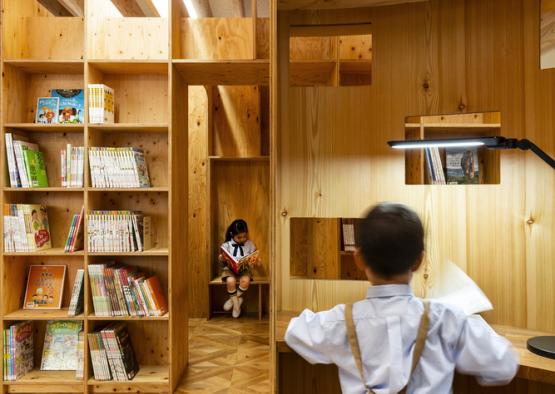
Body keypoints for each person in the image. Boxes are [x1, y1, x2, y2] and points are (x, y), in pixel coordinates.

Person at [285, 203, 518, 393]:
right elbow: (504, 366)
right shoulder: (447, 318)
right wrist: (469, 321)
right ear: (419, 261)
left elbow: (294, 333)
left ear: (358, 259)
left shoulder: (339, 321)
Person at [219, 219, 259, 318]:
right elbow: (222, 261)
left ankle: (233, 299)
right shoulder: (227, 245)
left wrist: (257, 260)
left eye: (244, 236)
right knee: (230, 281)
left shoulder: (250, 244)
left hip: (244, 269)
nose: (242, 239)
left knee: (245, 281)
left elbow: (254, 256)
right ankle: (237, 305)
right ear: (232, 235)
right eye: (239, 237)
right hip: (229, 269)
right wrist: (221, 258)